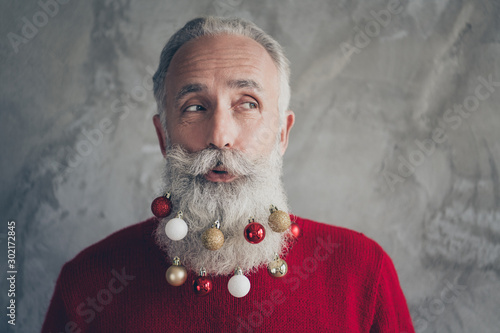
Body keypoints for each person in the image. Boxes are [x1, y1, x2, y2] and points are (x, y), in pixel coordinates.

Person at [42, 16, 415, 332]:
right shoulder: (88, 284)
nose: (220, 136)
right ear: (163, 135)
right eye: (194, 107)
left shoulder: (363, 272)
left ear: (282, 134)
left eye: (247, 104)